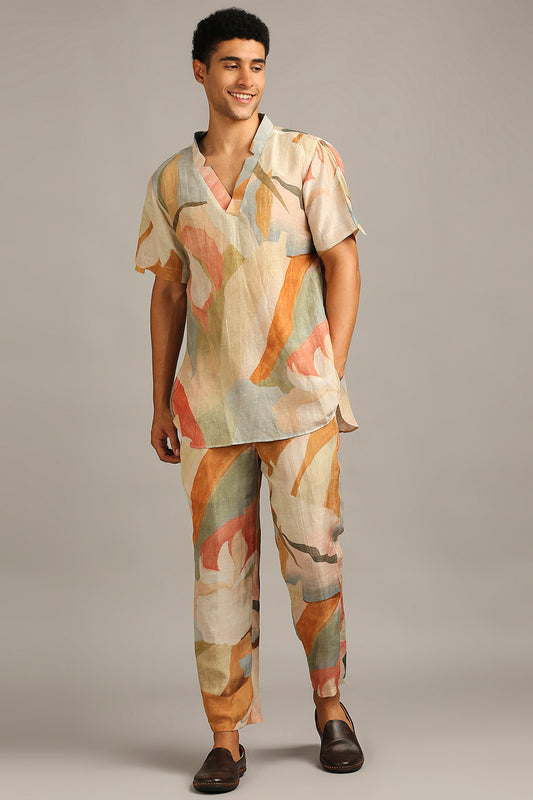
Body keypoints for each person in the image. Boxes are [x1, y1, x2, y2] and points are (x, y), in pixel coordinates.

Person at [134, 7, 367, 793]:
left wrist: (329, 372)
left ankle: (330, 708)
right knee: (218, 578)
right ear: (199, 71)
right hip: (208, 408)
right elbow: (168, 293)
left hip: (301, 404)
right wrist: (160, 402)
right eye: (230, 63)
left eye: (257, 64)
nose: (245, 79)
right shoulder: (171, 180)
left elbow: (343, 263)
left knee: (316, 562)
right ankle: (225, 737)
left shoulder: (306, 158)